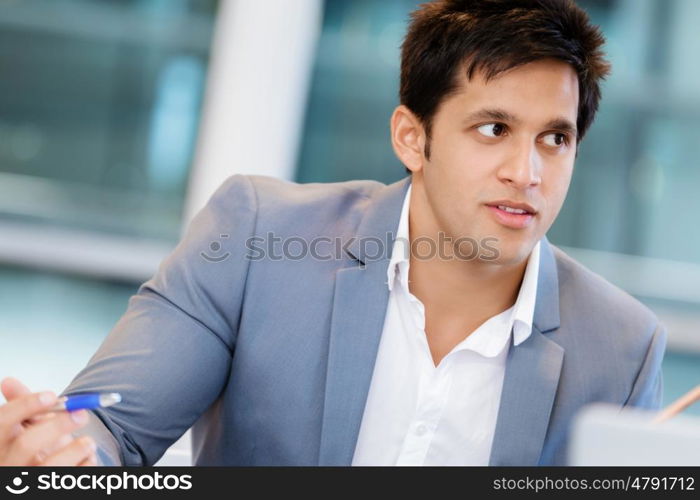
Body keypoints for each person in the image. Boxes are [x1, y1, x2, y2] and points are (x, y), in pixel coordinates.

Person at [1, 0, 667, 466]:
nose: (528, 173)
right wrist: (54, 456)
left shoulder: (622, 350)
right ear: (412, 136)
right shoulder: (257, 238)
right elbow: (111, 429)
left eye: (555, 139)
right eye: (493, 129)